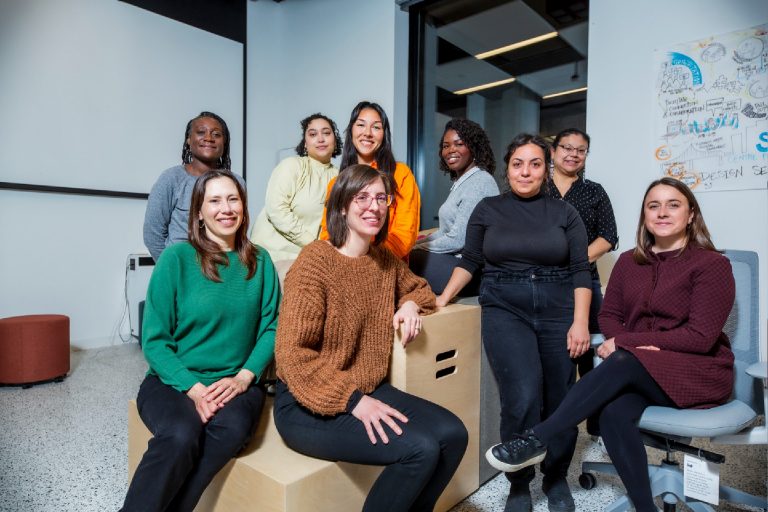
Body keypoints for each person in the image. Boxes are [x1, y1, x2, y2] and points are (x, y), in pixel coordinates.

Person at [484, 177, 735, 512]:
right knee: (616, 414)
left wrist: (631, 343)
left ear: (691, 214)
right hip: (642, 372)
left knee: (621, 360)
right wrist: (635, 347)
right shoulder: (630, 262)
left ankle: (537, 437)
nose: (662, 212)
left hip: (696, 371)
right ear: (644, 215)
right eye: (653, 205)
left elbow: (700, 337)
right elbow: (611, 317)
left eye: (673, 204)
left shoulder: (712, 265)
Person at [274, 164, 468, 512]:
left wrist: (409, 304)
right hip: (307, 401)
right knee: (420, 448)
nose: (373, 206)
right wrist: (353, 402)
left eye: (381, 198)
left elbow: (420, 290)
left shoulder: (383, 260)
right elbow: (292, 356)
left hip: (366, 387)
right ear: (342, 207)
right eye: (361, 197)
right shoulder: (314, 262)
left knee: (454, 434)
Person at [436, 134, 591, 512]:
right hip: (505, 306)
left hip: (558, 308)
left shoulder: (564, 213)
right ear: (507, 168)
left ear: (546, 168)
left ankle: (555, 477)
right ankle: (518, 483)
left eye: (535, 163)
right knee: (520, 395)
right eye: (518, 163)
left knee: (561, 400)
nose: (526, 171)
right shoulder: (488, 209)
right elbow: (469, 260)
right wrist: (441, 299)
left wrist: (581, 323)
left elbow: (580, 271)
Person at [122, 170, 280, 512]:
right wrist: (194, 389)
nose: (226, 208)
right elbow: (155, 341)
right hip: (174, 380)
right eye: (215, 200)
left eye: (233, 199)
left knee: (231, 429)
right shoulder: (176, 260)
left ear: (244, 206)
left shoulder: (261, 262)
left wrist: (244, 377)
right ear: (198, 212)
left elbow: (272, 327)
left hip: (236, 383)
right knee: (181, 434)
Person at [544, 128, 618, 382]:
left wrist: (574, 263)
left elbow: (608, 236)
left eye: (581, 150)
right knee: (553, 352)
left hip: (585, 280)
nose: (573, 155)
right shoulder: (537, 188)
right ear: (553, 152)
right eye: (567, 148)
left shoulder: (594, 191)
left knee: (591, 353)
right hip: (543, 281)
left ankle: (592, 411)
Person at [319, 101, 421, 260]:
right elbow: (328, 232)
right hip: (342, 264)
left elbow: (404, 235)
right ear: (351, 130)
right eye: (361, 125)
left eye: (376, 127)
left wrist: (367, 260)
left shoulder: (400, 174)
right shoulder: (336, 183)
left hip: (386, 265)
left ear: (384, 134)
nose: (367, 133)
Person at [409, 118, 499, 295]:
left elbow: (459, 239)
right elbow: (445, 231)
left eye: (459, 144)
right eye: (446, 145)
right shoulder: (463, 182)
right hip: (455, 262)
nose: (451, 150)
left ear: (473, 147)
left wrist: (415, 248)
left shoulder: (480, 181)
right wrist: (416, 242)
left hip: (471, 272)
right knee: (401, 254)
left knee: (401, 259)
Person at [143, 111, 245, 262]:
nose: (209, 138)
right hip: (183, 269)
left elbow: (239, 231)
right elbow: (153, 235)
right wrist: (173, 268)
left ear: (225, 142)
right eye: (201, 132)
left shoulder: (236, 182)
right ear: (189, 140)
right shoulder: (171, 179)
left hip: (224, 267)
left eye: (216, 134)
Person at [250, 113, 341, 262]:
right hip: (274, 256)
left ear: (335, 141)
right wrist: (312, 244)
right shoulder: (292, 166)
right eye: (313, 134)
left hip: (313, 259)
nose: (320, 139)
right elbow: (276, 209)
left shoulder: (341, 176)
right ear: (305, 143)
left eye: (326, 133)